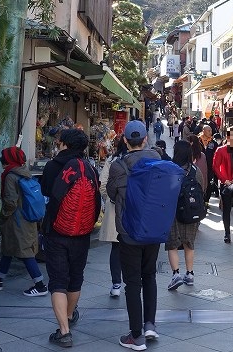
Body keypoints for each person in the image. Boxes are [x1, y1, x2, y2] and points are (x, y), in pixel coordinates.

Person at [39, 128, 100, 348]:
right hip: (81, 234)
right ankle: (70, 315)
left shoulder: (53, 166)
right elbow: (97, 202)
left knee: (57, 281)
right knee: (75, 278)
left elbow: (47, 195)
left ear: (64, 143)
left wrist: (48, 226)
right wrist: (87, 225)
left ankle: (64, 331)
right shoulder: (91, 169)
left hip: (56, 231)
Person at [107, 120, 163, 350]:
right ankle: (150, 324)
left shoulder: (118, 165)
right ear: (146, 140)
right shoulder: (158, 160)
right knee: (149, 276)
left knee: (132, 282)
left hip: (129, 230)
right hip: (153, 228)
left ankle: (136, 335)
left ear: (125, 141)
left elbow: (111, 193)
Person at [0, 146, 48, 296]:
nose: (2, 160)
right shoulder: (25, 173)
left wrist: (4, 215)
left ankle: (40, 285)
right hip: (27, 218)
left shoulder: (10, 175)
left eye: (3, 157)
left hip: (17, 220)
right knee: (9, 248)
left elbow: (10, 201)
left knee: (24, 251)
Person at [166, 140, 203, 292]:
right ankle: (190, 273)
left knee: (172, 243)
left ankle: (176, 274)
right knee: (189, 242)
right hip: (191, 211)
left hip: (173, 212)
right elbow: (203, 189)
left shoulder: (170, 169)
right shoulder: (196, 170)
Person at [99, 138, 125, 299]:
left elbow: (102, 184)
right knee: (133, 247)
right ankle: (133, 281)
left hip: (116, 209)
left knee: (116, 248)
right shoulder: (141, 159)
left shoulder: (112, 160)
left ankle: (116, 284)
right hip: (134, 211)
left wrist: (110, 200)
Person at [199, 125, 219, 203]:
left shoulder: (213, 143)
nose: (210, 132)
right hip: (199, 166)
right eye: (209, 131)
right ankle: (200, 200)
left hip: (210, 167)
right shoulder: (198, 140)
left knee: (210, 183)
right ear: (203, 130)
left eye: (211, 131)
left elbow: (217, 154)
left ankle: (206, 200)